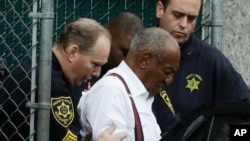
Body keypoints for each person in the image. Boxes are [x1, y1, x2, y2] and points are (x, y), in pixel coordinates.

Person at [0, 18, 126, 141]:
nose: (97, 73)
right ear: (73, 53)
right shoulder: (51, 84)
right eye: (95, 64)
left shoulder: (30, 69)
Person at [152, 0, 250, 136]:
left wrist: (222, 135)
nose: (183, 24)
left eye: (191, 18)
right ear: (160, 10)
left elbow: (245, 122)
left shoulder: (211, 60)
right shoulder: (135, 53)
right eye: (177, 15)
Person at [77, 27, 181, 141]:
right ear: (144, 60)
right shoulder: (111, 90)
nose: (169, 80)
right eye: (167, 72)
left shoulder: (142, 95)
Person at [71, 12, 144, 105]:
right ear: (108, 37)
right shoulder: (82, 72)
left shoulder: (137, 82)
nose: (128, 62)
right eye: (125, 53)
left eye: (134, 57)